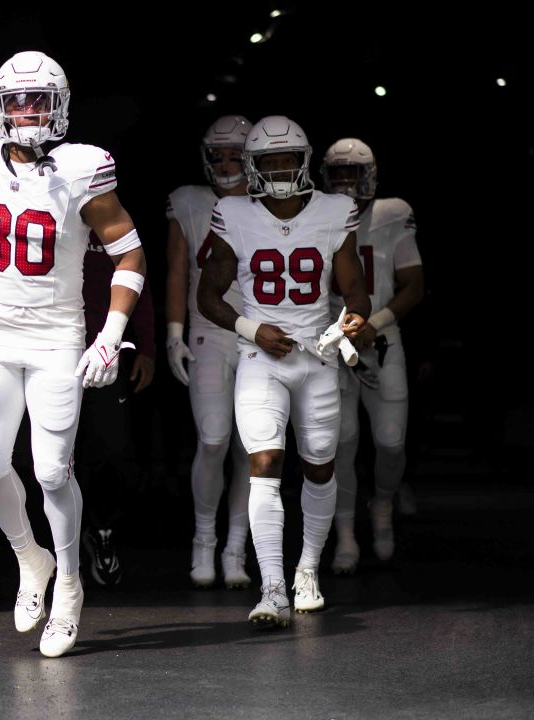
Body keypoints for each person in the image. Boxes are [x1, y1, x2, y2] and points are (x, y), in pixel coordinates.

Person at [0, 51, 147, 657]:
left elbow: (129, 255)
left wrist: (109, 334)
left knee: (50, 471)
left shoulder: (82, 168)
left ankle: (70, 586)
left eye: (38, 100)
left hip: (55, 337)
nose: (26, 112)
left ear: (61, 106)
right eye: (16, 101)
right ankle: (33, 559)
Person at [196, 116, 371, 629]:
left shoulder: (336, 211)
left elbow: (353, 286)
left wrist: (356, 314)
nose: (277, 170)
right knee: (264, 462)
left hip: (316, 355)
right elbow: (209, 294)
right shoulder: (232, 212)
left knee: (319, 466)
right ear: (253, 166)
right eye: (268, 162)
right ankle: (272, 586)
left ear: (304, 162)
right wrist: (252, 330)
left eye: (287, 160)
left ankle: (307, 571)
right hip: (261, 359)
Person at [320, 137, 425, 572]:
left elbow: (414, 285)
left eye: (353, 173)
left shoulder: (391, 213)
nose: (346, 182)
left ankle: (381, 503)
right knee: (341, 443)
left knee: (390, 441)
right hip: (331, 343)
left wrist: (373, 324)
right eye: (338, 173)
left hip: (381, 340)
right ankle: (345, 532)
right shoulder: (315, 217)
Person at [164, 115, 255, 589]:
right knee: (214, 437)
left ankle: (235, 546)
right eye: (217, 154)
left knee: (250, 445)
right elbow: (178, 271)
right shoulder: (189, 201)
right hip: (209, 331)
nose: (224, 163)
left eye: (234, 154)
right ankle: (204, 537)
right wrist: (173, 332)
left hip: (258, 333)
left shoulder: (271, 203)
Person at [76, 232, 155, 588]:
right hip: (46, 349)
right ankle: (46, 549)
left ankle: (100, 528)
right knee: (47, 456)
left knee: (112, 448)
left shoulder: (109, 221)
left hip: (104, 352)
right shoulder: (41, 209)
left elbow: (138, 282)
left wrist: (147, 348)